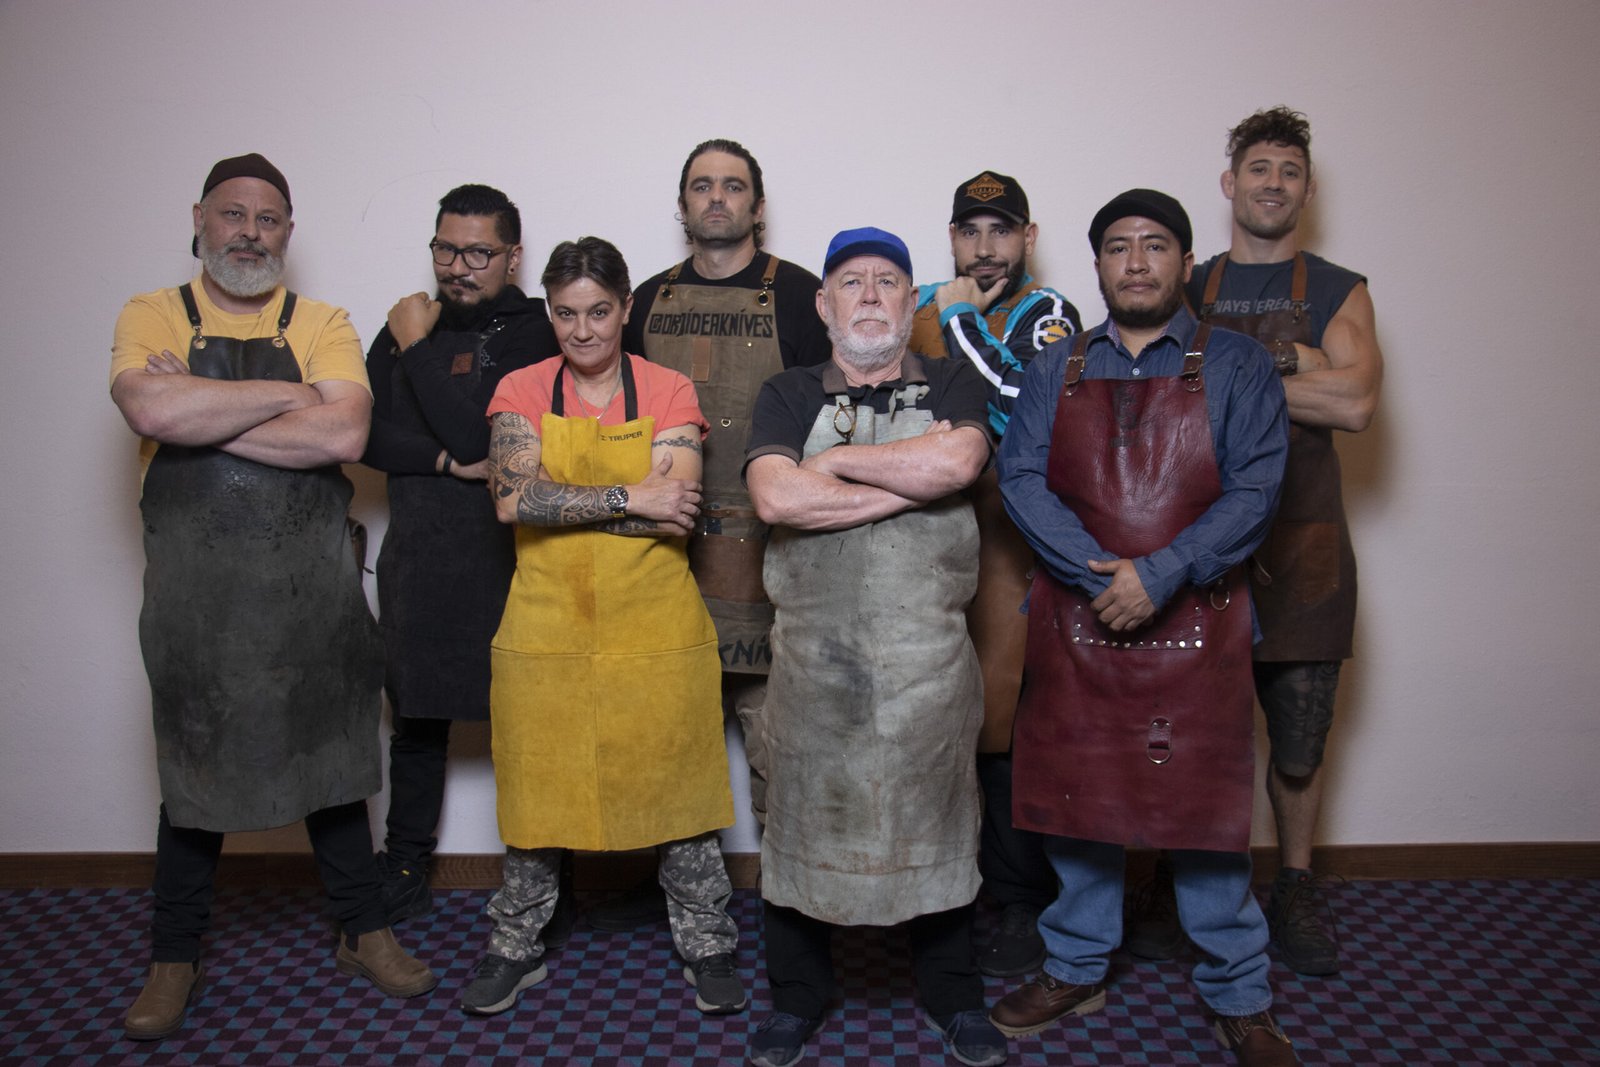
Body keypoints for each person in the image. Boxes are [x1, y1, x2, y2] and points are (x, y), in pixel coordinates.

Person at [110, 153, 436, 1040]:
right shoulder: (150, 313)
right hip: (197, 605)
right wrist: (288, 397)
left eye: (267, 219)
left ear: (288, 230)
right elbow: (151, 414)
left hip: (312, 598)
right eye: (233, 214)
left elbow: (344, 431)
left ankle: (362, 930)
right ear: (200, 219)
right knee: (193, 774)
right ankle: (173, 955)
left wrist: (204, 405)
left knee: (333, 765)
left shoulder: (322, 321)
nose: (249, 233)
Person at [990, 191, 1294, 1066]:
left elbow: (1257, 489)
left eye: (1154, 245)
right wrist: (1101, 578)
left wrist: (1158, 574)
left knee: (1207, 813)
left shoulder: (1238, 364)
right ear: (1096, 265)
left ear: (1185, 262)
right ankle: (1075, 967)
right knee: (1078, 802)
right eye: (1118, 246)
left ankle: (1240, 994)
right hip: (1079, 619)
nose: (1135, 261)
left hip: (1202, 619)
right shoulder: (1057, 367)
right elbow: (1020, 479)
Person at [1127, 108, 1384, 977]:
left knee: (1300, 739)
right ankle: (1172, 873)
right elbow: (1151, 381)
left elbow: (1358, 404)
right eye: (1260, 168)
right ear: (1229, 183)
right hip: (1196, 541)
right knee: (1185, 728)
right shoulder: (1190, 278)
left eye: (1290, 170)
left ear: (1307, 190)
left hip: (1305, 547)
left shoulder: (1340, 287)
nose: (1274, 183)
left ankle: (1295, 884)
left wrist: (1231, 375)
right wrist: (1300, 363)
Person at [461, 237, 743, 1019]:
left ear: (625, 308)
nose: (581, 331)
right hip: (545, 630)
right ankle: (515, 943)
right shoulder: (521, 387)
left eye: (597, 312)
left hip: (655, 628)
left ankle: (707, 941)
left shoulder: (668, 388)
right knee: (536, 794)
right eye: (565, 314)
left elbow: (676, 510)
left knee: (681, 789)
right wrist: (628, 497)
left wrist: (572, 502)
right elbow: (512, 500)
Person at [745, 228, 1005, 1067]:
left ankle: (954, 995)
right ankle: (796, 999)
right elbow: (777, 497)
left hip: (929, 666)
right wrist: (905, 480)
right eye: (851, 282)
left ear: (909, 302)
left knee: (941, 821)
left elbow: (960, 460)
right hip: (814, 667)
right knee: (799, 825)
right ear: (824, 305)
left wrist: (841, 464)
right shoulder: (787, 391)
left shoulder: (953, 381)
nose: (868, 295)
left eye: (888, 282)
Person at [595, 137, 830, 931]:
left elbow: (831, 421)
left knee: (780, 745)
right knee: (670, 742)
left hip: (772, 562)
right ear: (682, 204)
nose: (717, 198)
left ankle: (796, 907)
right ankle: (682, 900)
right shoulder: (643, 300)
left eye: (733, 186)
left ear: (757, 205)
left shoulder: (799, 295)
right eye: (702, 186)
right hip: (664, 557)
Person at [359, 184, 566, 928]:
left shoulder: (534, 333)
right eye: (446, 249)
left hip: (509, 563)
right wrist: (444, 462)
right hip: (419, 555)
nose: (458, 267)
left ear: (513, 257)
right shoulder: (407, 323)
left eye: (478, 252)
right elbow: (361, 434)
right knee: (414, 722)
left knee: (528, 726)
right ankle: (405, 862)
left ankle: (544, 872)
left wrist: (418, 353)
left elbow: (481, 435)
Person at [909, 171, 1083, 979]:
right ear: (952, 237)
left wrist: (954, 320)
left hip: (1008, 533)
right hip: (921, 529)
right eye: (971, 231)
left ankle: (1017, 897)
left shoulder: (1049, 314)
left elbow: (1013, 403)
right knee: (924, 707)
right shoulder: (917, 302)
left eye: (1001, 231)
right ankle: (934, 888)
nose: (985, 248)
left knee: (1004, 715)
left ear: (1028, 238)